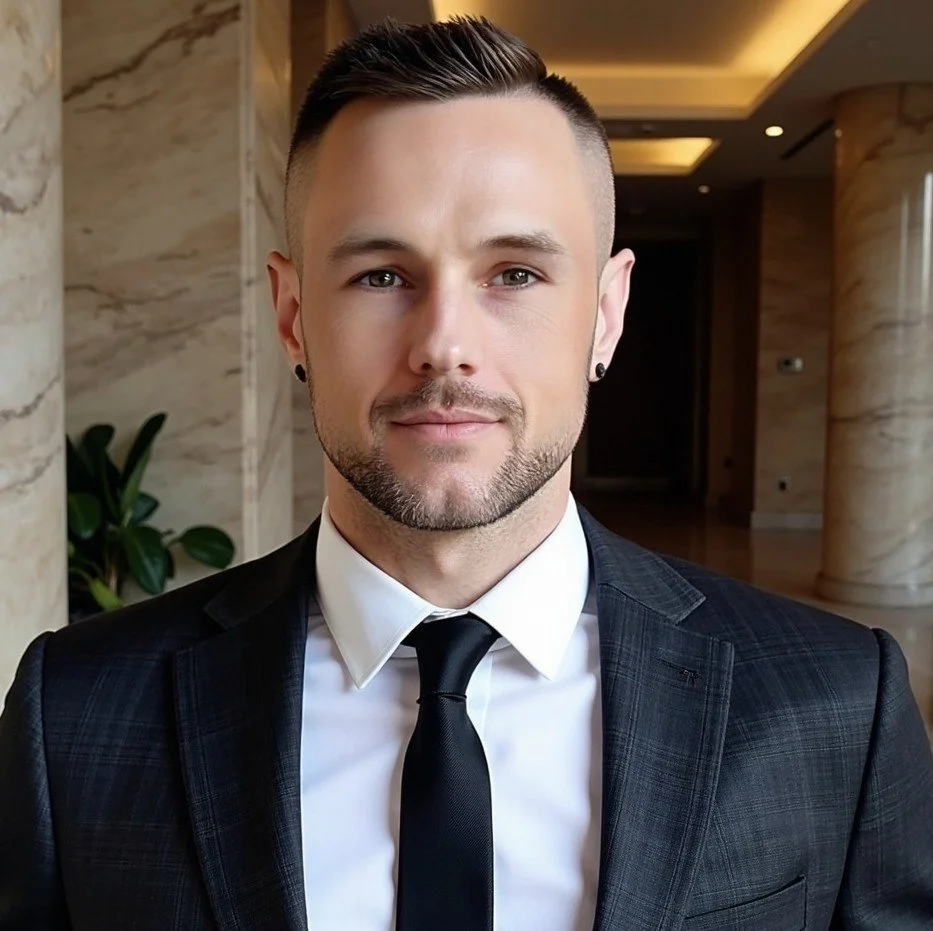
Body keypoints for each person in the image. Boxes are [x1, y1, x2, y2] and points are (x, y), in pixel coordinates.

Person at [2, 15, 932, 931]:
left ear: (605, 315)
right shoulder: (77, 709)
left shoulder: (835, 702)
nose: (444, 347)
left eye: (515, 274)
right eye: (379, 276)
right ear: (292, 315)